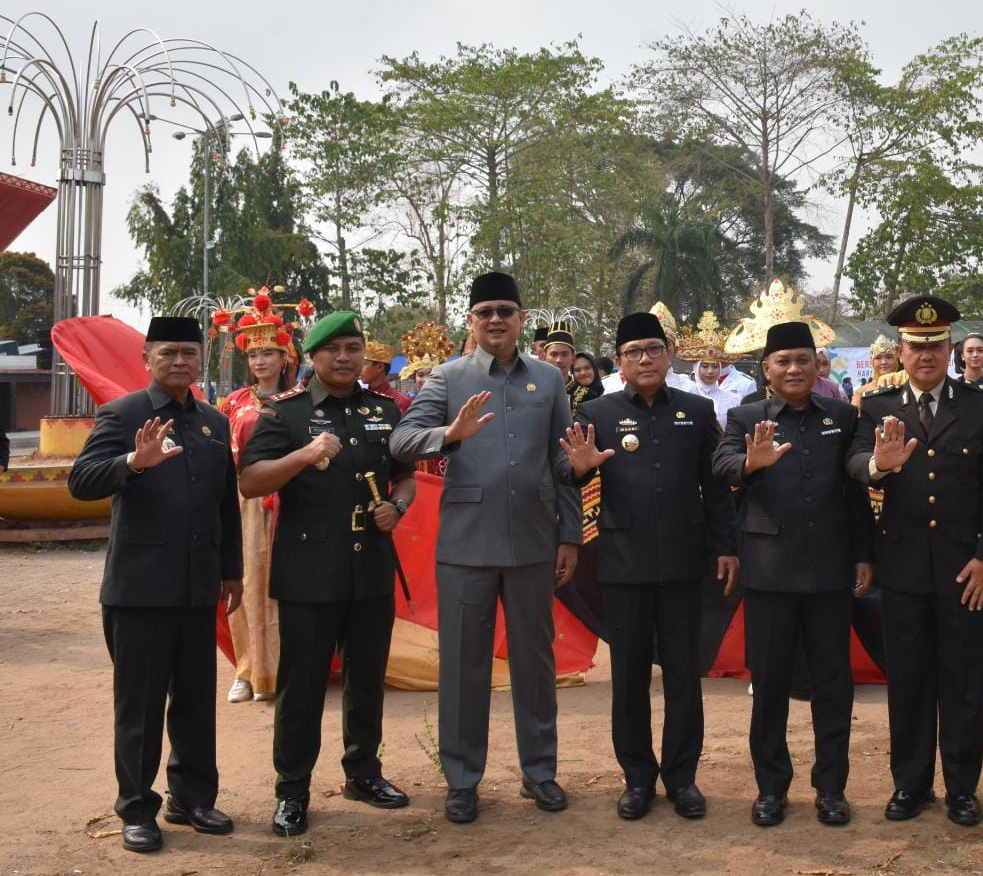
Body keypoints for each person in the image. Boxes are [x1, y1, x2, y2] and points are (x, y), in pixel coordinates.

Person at [389, 272, 582, 824]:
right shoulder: (447, 378)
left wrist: (569, 534)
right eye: (484, 312)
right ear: (470, 322)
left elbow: (564, 462)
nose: (495, 319)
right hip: (467, 545)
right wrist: (448, 435)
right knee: (463, 666)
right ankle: (462, 779)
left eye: (505, 310)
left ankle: (540, 772)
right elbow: (402, 440)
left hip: (533, 543)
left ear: (521, 318)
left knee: (536, 664)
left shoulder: (548, 380)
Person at [67, 316, 242, 854]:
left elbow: (224, 505)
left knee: (195, 701)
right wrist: (131, 462)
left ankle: (191, 798)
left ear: (201, 360)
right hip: (139, 590)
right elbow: (80, 481)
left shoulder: (212, 421)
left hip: (196, 587)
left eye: (189, 353)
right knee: (139, 707)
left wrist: (231, 569)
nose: (179, 362)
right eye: (168, 353)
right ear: (147, 358)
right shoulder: (123, 414)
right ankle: (138, 808)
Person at [240, 311, 417, 838]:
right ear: (312, 357)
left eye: (353, 348)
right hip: (309, 570)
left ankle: (363, 774)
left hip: (370, 569)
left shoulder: (384, 410)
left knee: (367, 680)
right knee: (303, 686)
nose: (345, 357)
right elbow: (250, 481)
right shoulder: (283, 413)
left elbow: (405, 477)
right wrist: (304, 454)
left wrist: (397, 508)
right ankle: (292, 789)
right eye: (333, 349)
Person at [561, 311, 738, 821]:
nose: (644, 359)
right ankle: (637, 778)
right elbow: (563, 468)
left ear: (669, 354)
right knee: (630, 677)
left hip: (686, 563)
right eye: (634, 352)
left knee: (684, 676)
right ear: (619, 361)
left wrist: (726, 546)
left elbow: (718, 488)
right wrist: (576, 467)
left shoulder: (698, 410)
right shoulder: (598, 410)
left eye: (653, 350)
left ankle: (683, 779)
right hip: (623, 564)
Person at [847, 294, 983, 827]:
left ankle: (962, 789)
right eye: (916, 347)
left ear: (951, 348)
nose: (926, 356)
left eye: (936, 345)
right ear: (900, 350)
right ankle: (910, 785)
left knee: (964, 681)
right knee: (910, 681)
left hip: (967, 573)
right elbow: (852, 469)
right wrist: (877, 463)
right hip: (903, 568)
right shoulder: (875, 407)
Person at [713, 320, 872, 827]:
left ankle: (831, 789)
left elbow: (856, 489)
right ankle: (771, 790)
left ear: (816, 364)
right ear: (766, 370)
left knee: (833, 685)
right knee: (771, 684)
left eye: (803, 359)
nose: (794, 369)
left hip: (829, 571)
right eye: (783, 361)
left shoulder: (844, 417)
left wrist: (864, 554)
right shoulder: (744, 416)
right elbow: (721, 466)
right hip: (769, 573)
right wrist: (750, 465)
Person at [219, 295, 302, 704]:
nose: (260, 361)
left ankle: (287, 668)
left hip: (291, 498)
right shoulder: (233, 403)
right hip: (246, 502)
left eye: (268, 352)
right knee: (245, 581)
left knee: (284, 585)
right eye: (253, 354)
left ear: (285, 355)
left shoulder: (300, 400)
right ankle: (247, 668)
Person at [680, 311, 742, 427]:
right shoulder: (683, 397)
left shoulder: (733, 400)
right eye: (704, 366)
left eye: (715, 367)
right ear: (696, 368)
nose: (710, 371)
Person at [399, 321, 455, 399]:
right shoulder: (405, 401)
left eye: (431, 375)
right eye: (420, 375)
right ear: (414, 377)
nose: (425, 380)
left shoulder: (448, 400)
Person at [362, 335, 412, 412]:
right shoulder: (360, 398)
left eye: (363, 364)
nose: (359, 368)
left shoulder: (401, 402)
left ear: (379, 367)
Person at [852, 334, 903, 406]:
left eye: (889, 357)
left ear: (896, 359)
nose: (884, 362)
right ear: (871, 361)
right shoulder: (861, 392)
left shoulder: (906, 386)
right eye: (878, 358)